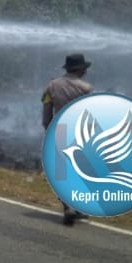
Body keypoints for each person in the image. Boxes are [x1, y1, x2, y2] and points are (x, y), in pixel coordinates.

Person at [41, 53, 94, 226]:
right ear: (80, 69)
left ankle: (68, 207)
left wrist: (48, 130)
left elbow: (46, 112)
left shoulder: (51, 86)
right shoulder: (87, 89)